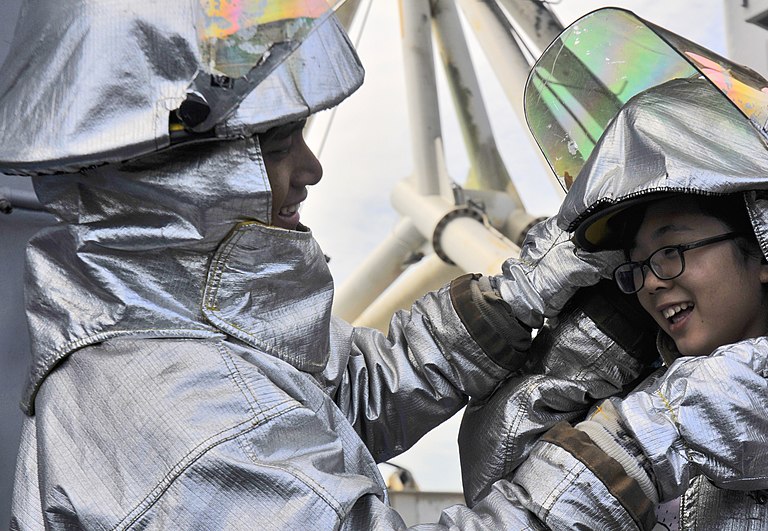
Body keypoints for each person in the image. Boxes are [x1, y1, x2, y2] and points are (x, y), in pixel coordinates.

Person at [2, 2, 655, 529]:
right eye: (283, 144)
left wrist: (518, 296)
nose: (312, 169)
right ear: (175, 178)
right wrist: (643, 446)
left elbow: (348, 392)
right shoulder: (180, 425)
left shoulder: (169, 331)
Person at [459, 8, 768, 530]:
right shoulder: (634, 410)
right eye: (636, 266)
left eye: (671, 250)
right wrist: (584, 353)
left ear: (762, 254)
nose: (652, 281)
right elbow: (495, 485)